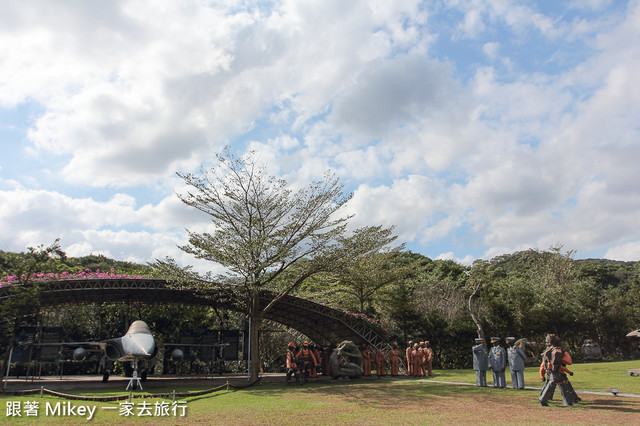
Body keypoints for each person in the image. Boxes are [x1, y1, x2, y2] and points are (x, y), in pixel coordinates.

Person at [538, 334, 579, 406]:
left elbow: (543, 365)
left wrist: (542, 375)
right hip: (556, 372)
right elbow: (569, 362)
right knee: (558, 386)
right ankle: (543, 400)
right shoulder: (558, 351)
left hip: (552, 372)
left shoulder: (548, 351)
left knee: (559, 386)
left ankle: (568, 402)